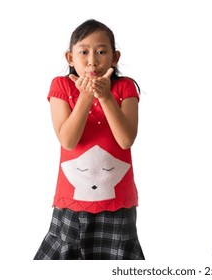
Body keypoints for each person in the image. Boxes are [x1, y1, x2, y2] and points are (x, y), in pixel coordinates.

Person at [34, 19, 144, 260]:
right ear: (70, 58)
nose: (92, 60)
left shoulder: (125, 87)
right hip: (72, 198)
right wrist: (85, 96)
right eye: (83, 52)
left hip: (118, 200)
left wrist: (104, 97)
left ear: (114, 57)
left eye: (101, 52)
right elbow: (68, 140)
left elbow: (126, 139)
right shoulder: (61, 85)